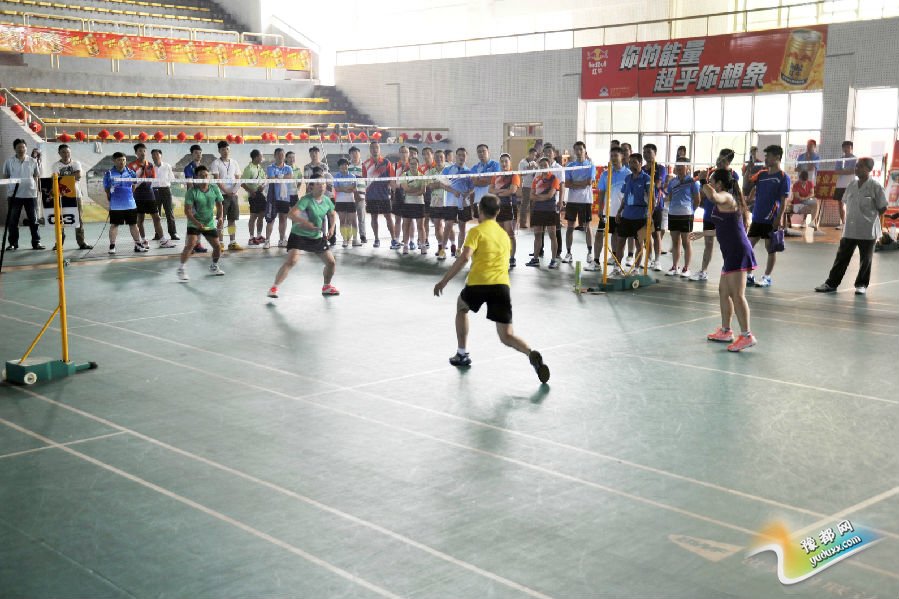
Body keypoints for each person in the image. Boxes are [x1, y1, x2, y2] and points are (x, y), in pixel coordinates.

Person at [433, 193, 550, 383]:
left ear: (479, 210)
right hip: (501, 286)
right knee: (507, 336)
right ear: (498, 212)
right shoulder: (504, 235)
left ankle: (462, 354)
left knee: (462, 307)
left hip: (478, 283)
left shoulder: (476, 232)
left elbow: (464, 257)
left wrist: (444, 281)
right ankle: (530, 353)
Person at [702, 168, 757, 352]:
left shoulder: (726, 197)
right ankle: (726, 331)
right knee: (723, 291)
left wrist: (702, 181)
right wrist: (703, 233)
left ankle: (747, 336)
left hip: (738, 251)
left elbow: (713, 197)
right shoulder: (725, 200)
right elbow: (723, 228)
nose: (710, 184)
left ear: (719, 184)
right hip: (730, 252)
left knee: (737, 295)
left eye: (712, 181)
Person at [815, 157, 887, 295]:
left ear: (868, 169)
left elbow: (883, 207)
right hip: (850, 229)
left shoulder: (876, 186)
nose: (856, 168)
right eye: (856, 166)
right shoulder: (851, 185)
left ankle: (861, 285)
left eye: (860, 166)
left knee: (866, 260)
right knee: (841, 258)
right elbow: (845, 202)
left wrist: (870, 217)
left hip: (867, 230)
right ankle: (831, 283)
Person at [267, 175, 339, 298]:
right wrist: (305, 223)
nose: (321, 186)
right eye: (318, 183)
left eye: (323, 183)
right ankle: (274, 288)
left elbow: (332, 214)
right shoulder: (306, 200)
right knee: (292, 261)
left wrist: (332, 228)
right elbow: (291, 214)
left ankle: (327, 286)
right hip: (299, 235)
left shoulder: (327, 200)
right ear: (311, 186)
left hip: (316, 236)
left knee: (331, 262)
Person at [691, 149, 742, 282]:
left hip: (724, 215)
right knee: (708, 243)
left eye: (723, 160)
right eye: (718, 158)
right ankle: (703, 271)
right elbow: (706, 192)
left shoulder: (733, 176)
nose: (719, 162)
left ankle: (731, 271)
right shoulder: (711, 173)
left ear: (729, 162)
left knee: (727, 244)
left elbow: (731, 196)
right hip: (709, 214)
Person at [746, 145, 790, 288]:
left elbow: (783, 201)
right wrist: (749, 168)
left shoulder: (783, 177)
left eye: (768, 156)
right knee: (747, 246)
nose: (766, 159)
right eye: (765, 156)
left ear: (777, 157)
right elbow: (750, 184)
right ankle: (749, 275)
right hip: (757, 217)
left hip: (771, 218)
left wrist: (778, 219)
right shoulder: (762, 174)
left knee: (770, 248)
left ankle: (767, 277)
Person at [177, 165, 224, 281]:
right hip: (194, 222)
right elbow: (187, 211)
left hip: (209, 223)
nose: (204, 178)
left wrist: (220, 218)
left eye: (206, 175)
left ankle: (214, 266)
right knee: (191, 244)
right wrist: (197, 223)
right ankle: (181, 269)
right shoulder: (192, 192)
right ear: (197, 177)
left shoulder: (214, 188)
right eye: (201, 176)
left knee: (217, 247)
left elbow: (219, 205)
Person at [587, 146, 629, 272]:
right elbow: (602, 192)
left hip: (620, 213)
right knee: (599, 235)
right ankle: (596, 262)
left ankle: (616, 262)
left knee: (618, 237)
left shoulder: (628, 174)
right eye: (612, 156)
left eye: (616, 155)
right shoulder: (606, 174)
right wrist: (600, 209)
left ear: (622, 157)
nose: (613, 158)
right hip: (606, 212)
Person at [3, 139, 43, 250]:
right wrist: (10, 188)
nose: (21, 149)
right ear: (14, 149)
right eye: (18, 147)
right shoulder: (9, 161)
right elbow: (6, 177)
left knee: (34, 220)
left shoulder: (33, 161)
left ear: (26, 148)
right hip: (14, 195)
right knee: (13, 221)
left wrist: (37, 190)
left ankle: (36, 242)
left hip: (31, 195)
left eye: (23, 147)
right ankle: (13, 243)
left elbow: (36, 176)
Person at [50, 144, 92, 250]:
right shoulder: (56, 165)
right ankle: (59, 243)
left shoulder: (76, 163)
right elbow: (56, 179)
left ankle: (82, 242)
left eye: (68, 152)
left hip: (76, 195)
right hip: (62, 196)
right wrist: (71, 176)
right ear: (59, 153)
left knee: (79, 219)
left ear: (70, 153)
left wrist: (62, 177)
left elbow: (78, 176)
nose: (66, 154)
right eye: (63, 152)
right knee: (60, 219)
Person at [614, 153, 651, 271]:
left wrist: (650, 215)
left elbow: (652, 199)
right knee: (620, 242)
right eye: (630, 162)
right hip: (626, 216)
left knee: (639, 245)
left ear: (640, 163)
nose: (631, 165)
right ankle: (617, 266)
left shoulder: (647, 179)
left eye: (634, 162)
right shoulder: (627, 178)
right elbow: (625, 197)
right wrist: (619, 211)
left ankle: (636, 269)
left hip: (640, 216)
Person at [102, 152, 145, 254]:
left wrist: (128, 195)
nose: (122, 162)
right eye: (119, 160)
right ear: (114, 161)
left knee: (133, 224)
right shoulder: (109, 174)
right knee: (114, 225)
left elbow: (133, 185)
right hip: (116, 205)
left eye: (123, 160)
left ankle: (138, 245)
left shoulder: (131, 172)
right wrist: (112, 196)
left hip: (130, 204)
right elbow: (107, 188)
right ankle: (112, 246)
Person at [665, 158, 700, 277]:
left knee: (686, 242)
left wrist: (691, 211)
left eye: (682, 165)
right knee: (675, 242)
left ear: (688, 167)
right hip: (673, 214)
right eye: (678, 165)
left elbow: (697, 200)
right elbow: (670, 197)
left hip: (686, 215)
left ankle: (686, 268)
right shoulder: (672, 182)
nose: (679, 167)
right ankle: (675, 266)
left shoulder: (692, 182)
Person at [562, 141, 595, 265]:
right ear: (574, 151)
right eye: (576, 149)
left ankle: (590, 253)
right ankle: (568, 253)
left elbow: (589, 182)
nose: (579, 151)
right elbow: (567, 184)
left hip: (585, 201)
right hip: (572, 201)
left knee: (587, 227)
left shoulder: (590, 165)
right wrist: (581, 184)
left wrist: (574, 184)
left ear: (585, 150)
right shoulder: (570, 166)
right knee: (570, 227)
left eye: (581, 149)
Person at [129, 143, 165, 249]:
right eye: (140, 151)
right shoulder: (131, 166)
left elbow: (153, 178)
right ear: (136, 153)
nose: (142, 153)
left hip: (149, 193)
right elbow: (131, 181)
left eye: (144, 151)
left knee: (157, 217)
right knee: (140, 219)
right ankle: (143, 240)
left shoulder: (150, 165)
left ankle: (163, 240)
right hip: (138, 194)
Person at [527, 157, 561, 269]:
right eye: (541, 166)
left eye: (545, 165)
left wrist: (538, 197)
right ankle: (535, 259)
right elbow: (531, 196)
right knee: (537, 235)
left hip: (550, 210)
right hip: (538, 210)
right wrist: (541, 197)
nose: (543, 167)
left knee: (552, 235)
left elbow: (550, 195)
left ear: (549, 166)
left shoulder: (554, 179)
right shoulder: (536, 179)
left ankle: (553, 260)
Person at [362, 141, 397, 249]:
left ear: (379, 149)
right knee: (374, 217)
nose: (375, 149)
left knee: (388, 217)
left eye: (376, 147)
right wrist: (364, 194)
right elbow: (364, 180)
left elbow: (392, 178)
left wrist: (395, 192)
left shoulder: (386, 162)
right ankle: (376, 239)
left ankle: (394, 239)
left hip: (384, 195)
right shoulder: (366, 164)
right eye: (372, 148)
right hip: (371, 195)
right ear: (370, 150)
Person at [488, 153, 521, 269]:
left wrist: (497, 192)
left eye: (506, 161)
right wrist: (502, 192)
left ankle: (512, 257)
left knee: (510, 233)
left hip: (509, 207)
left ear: (510, 162)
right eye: (502, 161)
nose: (504, 163)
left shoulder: (514, 175)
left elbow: (512, 190)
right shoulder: (496, 175)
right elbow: (490, 189)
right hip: (497, 207)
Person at [210, 140, 243, 250]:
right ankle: (220, 243)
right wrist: (226, 191)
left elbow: (238, 178)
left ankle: (232, 242)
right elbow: (217, 180)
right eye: (223, 149)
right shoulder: (216, 163)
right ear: (219, 151)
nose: (225, 151)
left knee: (232, 220)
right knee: (221, 219)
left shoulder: (234, 163)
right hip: (222, 196)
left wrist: (234, 190)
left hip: (233, 195)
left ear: (230, 150)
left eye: (227, 149)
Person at [441, 147, 472, 257]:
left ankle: (459, 249)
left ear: (466, 157)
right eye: (459, 155)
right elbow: (442, 184)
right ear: (456, 156)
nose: (461, 157)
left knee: (462, 227)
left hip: (464, 203)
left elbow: (472, 187)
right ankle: (442, 249)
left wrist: (467, 193)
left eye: (463, 155)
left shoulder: (469, 171)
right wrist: (453, 191)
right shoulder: (448, 169)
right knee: (448, 225)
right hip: (451, 202)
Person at [642, 143, 667, 271]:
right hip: (643, 206)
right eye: (644, 152)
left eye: (649, 152)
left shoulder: (660, 168)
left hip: (656, 206)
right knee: (645, 234)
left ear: (655, 153)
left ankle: (657, 261)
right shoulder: (641, 169)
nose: (646, 154)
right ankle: (649, 258)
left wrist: (645, 185)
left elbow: (657, 184)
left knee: (656, 234)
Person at [427, 150, 454, 261]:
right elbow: (430, 186)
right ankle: (440, 247)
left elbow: (451, 184)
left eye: (441, 157)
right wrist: (440, 184)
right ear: (434, 158)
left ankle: (453, 245)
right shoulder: (430, 172)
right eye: (437, 157)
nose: (439, 159)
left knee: (449, 226)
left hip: (448, 202)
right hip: (435, 203)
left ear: (444, 158)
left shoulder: (450, 170)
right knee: (437, 226)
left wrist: (439, 184)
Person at [264, 147, 293, 249]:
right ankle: (267, 241)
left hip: (285, 198)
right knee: (270, 220)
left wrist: (279, 177)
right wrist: (282, 177)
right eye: (278, 154)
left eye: (282, 155)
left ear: (284, 156)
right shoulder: (270, 167)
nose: (280, 156)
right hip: (273, 197)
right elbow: (272, 178)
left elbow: (290, 177)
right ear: (275, 156)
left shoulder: (288, 168)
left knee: (283, 219)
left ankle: (281, 240)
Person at [399, 155, 427, 254]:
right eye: (411, 164)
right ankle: (405, 246)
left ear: (418, 165)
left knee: (421, 226)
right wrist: (416, 190)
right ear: (409, 164)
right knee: (406, 226)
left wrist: (411, 191)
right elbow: (406, 189)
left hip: (419, 203)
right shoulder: (404, 175)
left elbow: (423, 191)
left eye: (415, 163)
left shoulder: (422, 176)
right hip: (408, 204)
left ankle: (423, 246)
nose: (413, 165)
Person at [183, 144, 207, 254]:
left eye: (200, 153)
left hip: (202, 199)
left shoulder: (203, 168)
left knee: (200, 222)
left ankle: (197, 244)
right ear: (192, 154)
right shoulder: (188, 168)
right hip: (193, 199)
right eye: (196, 153)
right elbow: (189, 185)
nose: (198, 155)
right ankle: (189, 246)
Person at [151, 149, 179, 242]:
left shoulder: (167, 166)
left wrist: (164, 182)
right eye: (153, 155)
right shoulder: (150, 167)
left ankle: (173, 233)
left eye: (157, 154)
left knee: (169, 212)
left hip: (166, 190)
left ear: (161, 155)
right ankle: (158, 234)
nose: (155, 156)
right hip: (155, 191)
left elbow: (172, 178)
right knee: (156, 214)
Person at [241, 149, 267, 247]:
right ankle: (251, 238)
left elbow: (264, 179)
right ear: (256, 157)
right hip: (254, 195)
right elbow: (242, 183)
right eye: (261, 156)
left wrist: (263, 186)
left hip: (261, 195)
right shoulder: (248, 169)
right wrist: (251, 191)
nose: (262, 158)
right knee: (253, 217)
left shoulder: (259, 167)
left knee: (261, 215)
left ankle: (259, 236)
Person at [333, 158, 359, 248]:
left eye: (345, 164)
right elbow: (337, 189)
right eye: (342, 165)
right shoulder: (336, 177)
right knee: (342, 221)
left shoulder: (352, 176)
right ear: (339, 166)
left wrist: (343, 188)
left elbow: (353, 187)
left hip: (351, 201)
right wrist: (346, 189)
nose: (344, 166)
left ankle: (354, 239)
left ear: (348, 166)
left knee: (352, 221)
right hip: (340, 201)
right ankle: (345, 240)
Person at [833, 140, 857, 230]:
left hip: (850, 184)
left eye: (848, 147)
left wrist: (842, 171)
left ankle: (850, 223)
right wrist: (845, 171)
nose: (846, 149)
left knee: (850, 204)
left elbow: (853, 171)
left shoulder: (854, 159)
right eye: (845, 147)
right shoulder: (840, 159)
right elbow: (836, 171)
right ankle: (843, 223)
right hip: (840, 185)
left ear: (851, 148)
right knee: (840, 204)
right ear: (842, 149)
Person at [347, 146, 367, 244]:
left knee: (361, 216)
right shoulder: (347, 166)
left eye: (356, 152)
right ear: (349, 155)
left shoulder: (364, 166)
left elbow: (367, 179)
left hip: (361, 195)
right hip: (350, 195)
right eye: (352, 153)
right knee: (350, 217)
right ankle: (350, 236)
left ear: (359, 154)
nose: (354, 154)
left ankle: (363, 235)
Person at [518, 147, 538, 228]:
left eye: (535, 155)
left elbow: (537, 173)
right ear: (529, 154)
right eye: (533, 155)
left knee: (534, 205)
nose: (534, 157)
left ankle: (533, 223)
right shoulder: (522, 162)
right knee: (525, 205)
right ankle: (522, 223)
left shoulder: (535, 162)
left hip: (534, 187)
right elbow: (521, 174)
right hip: (526, 186)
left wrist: (536, 167)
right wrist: (529, 167)